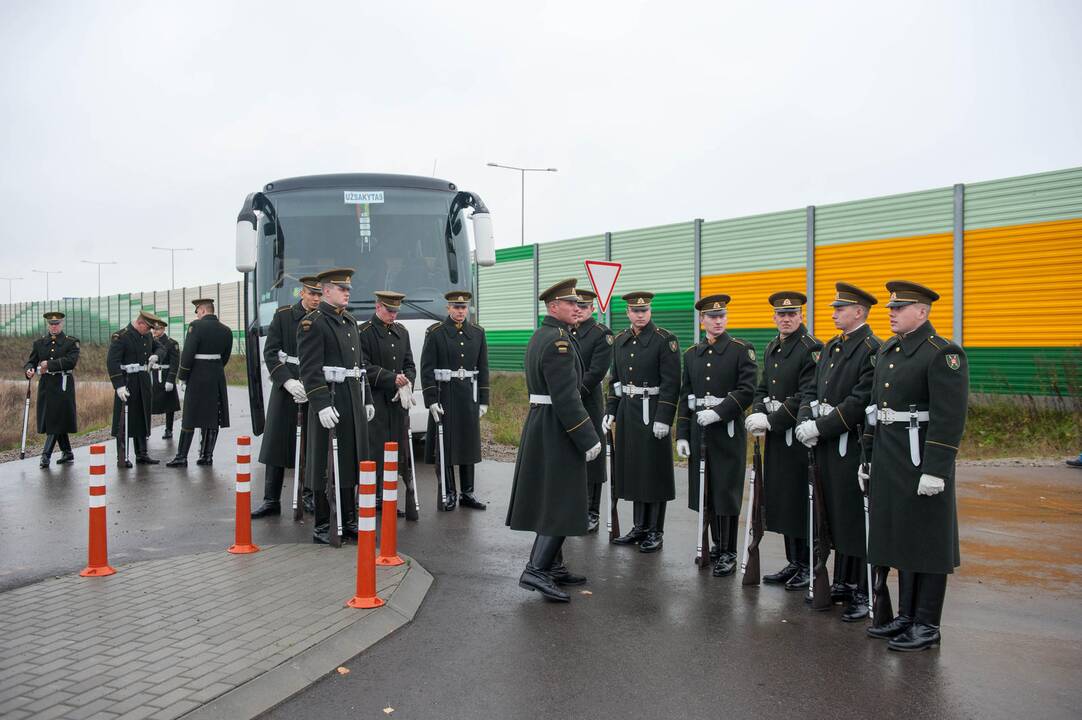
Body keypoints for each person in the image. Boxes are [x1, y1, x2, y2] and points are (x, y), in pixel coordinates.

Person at [864, 281, 968, 651]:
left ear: (921, 312)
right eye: (891, 307)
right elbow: (876, 412)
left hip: (921, 459)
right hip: (891, 457)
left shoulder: (942, 354)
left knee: (928, 541)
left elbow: (949, 417)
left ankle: (927, 624)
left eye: (899, 308)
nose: (891, 312)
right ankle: (906, 616)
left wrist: (936, 468)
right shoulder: (891, 349)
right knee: (902, 537)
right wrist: (867, 457)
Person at [507, 278, 602, 602]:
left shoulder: (543, 336)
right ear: (553, 307)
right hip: (557, 427)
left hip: (544, 423)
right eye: (570, 303)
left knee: (553, 496)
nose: (577, 308)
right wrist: (587, 437)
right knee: (561, 499)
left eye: (579, 303)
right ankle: (536, 568)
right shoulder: (559, 342)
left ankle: (554, 565)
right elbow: (566, 397)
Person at [794, 283, 881, 620]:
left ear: (858, 311)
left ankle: (861, 587)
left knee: (853, 516)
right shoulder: (831, 348)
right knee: (831, 511)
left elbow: (860, 401)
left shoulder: (872, 350)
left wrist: (823, 426)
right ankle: (843, 580)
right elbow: (812, 391)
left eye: (839, 309)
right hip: (826, 444)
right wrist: (805, 421)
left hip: (850, 443)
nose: (833, 313)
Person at [676, 295, 757, 576]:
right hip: (700, 432)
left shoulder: (740, 350)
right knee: (706, 491)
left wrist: (720, 412)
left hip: (727, 431)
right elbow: (686, 397)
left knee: (726, 492)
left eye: (722, 316)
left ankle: (728, 551)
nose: (718, 320)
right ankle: (712, 546)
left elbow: (747, 390)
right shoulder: (691, 354)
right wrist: (682, 434)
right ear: (702, 321)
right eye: (712, 317)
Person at [746, 291, 822, 589]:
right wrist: (758, 412)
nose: (786, 319)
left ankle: (808, 563)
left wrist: (774, 419)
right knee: (783, 499)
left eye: (792, 314)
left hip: (798, 436)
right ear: (774, 317)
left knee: (800, 501)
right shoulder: (773, 347)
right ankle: (794, 561)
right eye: (781, 314)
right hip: (778, 436)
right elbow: (762, 388)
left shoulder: (811, 348)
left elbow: (806, 393)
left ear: (801, 316)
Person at [298, 268, 375, 544]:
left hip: (351, 399)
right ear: (326, 290)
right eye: (342, 289)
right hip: (330, 400)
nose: (347, 293)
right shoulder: (313, 323)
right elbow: (309, 369)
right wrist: (320, 403)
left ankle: (349, 518)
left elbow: (360, 366)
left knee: (350, 461)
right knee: (324, 464)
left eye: (348, 289)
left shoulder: (351, 321)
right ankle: (322, 523)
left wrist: (366, 397)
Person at [605, 291, 681, 553]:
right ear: (627, 313)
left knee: (654, 472)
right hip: (628, 411)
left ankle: (655, 531)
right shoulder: (621, 340)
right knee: (635, 469)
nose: (640, 315)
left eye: (644, 310)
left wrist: (664, 418)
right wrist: (611, 409)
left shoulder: (664, 340)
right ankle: (639, 526)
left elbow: (672, 383)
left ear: (650, 311)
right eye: (635, 311)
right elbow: (615, 380)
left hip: (652, 411)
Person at [252, 276, 321, 518]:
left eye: (319, 295)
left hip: (314, 383)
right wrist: (287, 381)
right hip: (287, 385)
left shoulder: (323, 318)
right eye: (312, 294)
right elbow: (270, 352)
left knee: (312, 443)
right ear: (301, 293)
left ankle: (310, 495)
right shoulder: (283, 316)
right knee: (276, 442)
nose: (315, 299)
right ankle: (271, 499)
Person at [420, 290, 490, 511]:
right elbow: (427, 369)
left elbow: (483, 368)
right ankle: (449, 492)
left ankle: (467, 493)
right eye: (456, 307)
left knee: (468, 444)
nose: (460, 311)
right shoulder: (436, 332)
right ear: (448, 308)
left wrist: (483, 400)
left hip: (468, 394)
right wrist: (431, 399)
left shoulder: (478, 333)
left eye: (463, 307)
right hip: (445, 394)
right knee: (447, 445)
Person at [359, 290, 419, 520]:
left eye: (396, 311)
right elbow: (364, 366)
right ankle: (371, 496)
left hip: (397, 401)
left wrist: (407, 382)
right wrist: (390, 378)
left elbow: (409, 363)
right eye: (389, 310)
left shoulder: (401, 332)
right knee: (376, 449)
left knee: (396, 449)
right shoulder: (364, 332)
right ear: (378, 307)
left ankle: (388, 496)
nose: (393, 315)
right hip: (376, 399)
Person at [167, 299, 233, 467]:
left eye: (197, 311)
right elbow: (225, 357)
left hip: (197, 376)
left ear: (202, 310)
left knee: (190, 416)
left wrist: (182, 376)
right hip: (216, 375)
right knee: (212, 417)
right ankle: (206, 456)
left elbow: (188, 354)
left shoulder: (195, 327)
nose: (197, 315)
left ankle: (182, 456)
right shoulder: (226, 330)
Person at [569, 287, 613, 533]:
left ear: (593, 308)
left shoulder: (601, 335)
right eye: (576, 305)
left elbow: (596, 372)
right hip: (568, 401)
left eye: (584, 306)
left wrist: (572, 393)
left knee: (592, 458)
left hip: (588, 402)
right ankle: (573, 507)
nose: (579, 310)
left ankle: (591, 511)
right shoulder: (566, 331)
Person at [25, 311, 80, 468]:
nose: (54, 327)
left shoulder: (71, 342)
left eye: (57, 324)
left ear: (62, 324)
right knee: (55, 418)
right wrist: (29, 370)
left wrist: (49, 365)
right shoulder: (40, 343)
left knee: (55, 419)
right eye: (51, 324)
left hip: (63, 385)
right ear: (47, 325)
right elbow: (31, 361)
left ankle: (46, 455)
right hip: (46, 386)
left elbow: (71, 362)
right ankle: (67, 452)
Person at [107, 310, 162, 467]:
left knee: (142, 416)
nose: (150, 331)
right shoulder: (121, 336)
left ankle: (142, 454)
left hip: (142, 381)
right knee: (123, 421)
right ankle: (122, 457)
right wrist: (119, 386)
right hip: (127, 381)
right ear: (140, 323)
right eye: (148, 327)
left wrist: (156, 355)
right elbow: (112, 362)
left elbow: (161, 348)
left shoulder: (147, 336)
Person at [150, 319, 180, 440]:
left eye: (157, 329)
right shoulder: (150, 342)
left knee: (169, 405)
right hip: (153, 375)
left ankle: (169, 429)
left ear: (163, 329)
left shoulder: (171, 343)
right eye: (153, 329)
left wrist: (171, 379)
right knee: (149, 404)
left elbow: (175, 363)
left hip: (166, 375)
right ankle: (146, 430)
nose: (154, 331)